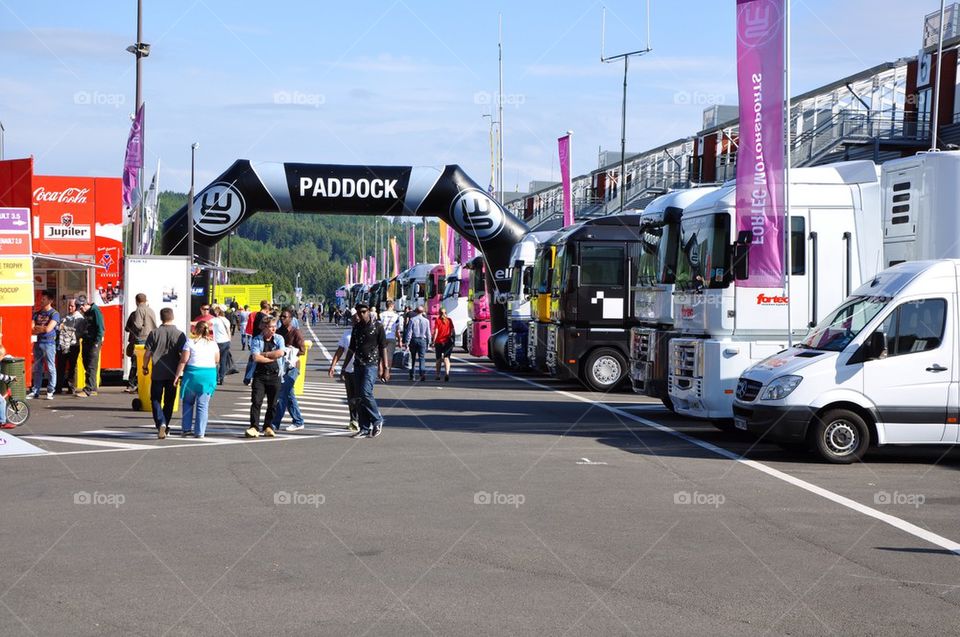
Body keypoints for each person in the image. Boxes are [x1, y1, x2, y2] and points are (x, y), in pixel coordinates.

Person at [143, 308, 187, 439]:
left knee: (155, 399)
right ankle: (165, 424)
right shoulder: (180, 334)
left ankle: (160, 422)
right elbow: (183, 354)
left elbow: (147, 354)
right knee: (169, 401)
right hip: (173, 373)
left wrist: (144, 366)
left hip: (157, 372)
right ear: (172, 317)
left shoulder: (154, 333)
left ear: (161, 318)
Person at [348, 302, 388, 438]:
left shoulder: (378, 326)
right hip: (358, 364)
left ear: (369, 312)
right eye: (358, 312)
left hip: (371, 365)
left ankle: (377, 419)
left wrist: (385, 368)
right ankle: (364, 427)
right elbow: (351, 348)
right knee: (359, 397)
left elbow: (383, 347)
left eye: (364, 312)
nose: (361, 315)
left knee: (366, 392)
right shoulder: (357, 328)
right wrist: (343, 366)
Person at [173, 321, 219, 438]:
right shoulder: (213, 344)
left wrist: (177, 375)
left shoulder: (190, 342)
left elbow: (183, 360)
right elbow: (217, 360)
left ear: (195, 330)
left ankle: (186, 428)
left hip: (192, 374)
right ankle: (200, 432)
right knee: (202, 405)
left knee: (188, 402)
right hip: (208, 374)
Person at [246, 316, 285, 438]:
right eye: (270, 327)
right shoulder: (257, 339)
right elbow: (256, 357)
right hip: (260, 375)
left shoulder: (279, 338)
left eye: (275, 326)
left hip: (275, 375)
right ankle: (254, 427)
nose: (273, 329)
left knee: (273, 403)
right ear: (264, 328)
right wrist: (272, 358)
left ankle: (268, 426)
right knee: (256, 401)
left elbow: (281, 353)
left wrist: (265, 355)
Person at [273, 308, 306, 432]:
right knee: (289, 395)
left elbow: (303, 350)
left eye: (284, 317)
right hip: (282, 366)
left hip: (293, 367)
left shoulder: (296, 332)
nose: (282, 318)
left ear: (291, 319)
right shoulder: (279, 332)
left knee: (282, 395)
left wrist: (291, 349)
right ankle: (298, 421)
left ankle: (275, 423)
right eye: (281, 316)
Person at [328, 310, 360, 432]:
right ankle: (353, 420)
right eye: (354, 318)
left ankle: (363, 420)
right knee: (351, 397)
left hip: (362, 370)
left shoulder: (367, 332)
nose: (356, 319)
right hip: (348, 370)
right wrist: (333, 365)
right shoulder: (347, 334)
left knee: (360, 396)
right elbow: (340, 351)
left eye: (358, 317)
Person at [123, 293, 158, 393]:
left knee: (136, 361)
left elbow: (137, 325)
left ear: (136, 301)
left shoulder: (139, 310)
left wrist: (135, 329)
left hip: (141, 338)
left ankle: (132, 384)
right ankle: (143, 384)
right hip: (151, 339)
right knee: (147, 362)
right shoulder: (151, 310)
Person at [28, 290, 60, 400]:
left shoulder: (54, 314)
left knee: (51, 368)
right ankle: (35, 390)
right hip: (38, 343)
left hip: (49, 344)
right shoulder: (36, 314)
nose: (41, 301)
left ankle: (50, 391)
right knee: (38, 369)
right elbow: (31, 330)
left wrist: (40, 329)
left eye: (44, 299)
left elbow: (48, 329)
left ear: (50, 300)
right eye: (41, 299)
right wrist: (43, 329)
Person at [75, 296, 104, 397]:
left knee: (91, 364)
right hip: (87, 341)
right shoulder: (87, 312)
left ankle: (88, 389)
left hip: (94, 342)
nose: (81, 310)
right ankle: (93, 388)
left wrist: (98, 341)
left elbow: (100, 327)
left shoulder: (95, 311)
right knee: (86, 362)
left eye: (81, 308)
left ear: (85, 304)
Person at [55, 298, 85, 395]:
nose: (69, 307)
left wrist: (65, 329)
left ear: (76, 307)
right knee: (60, 367)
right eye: (69, 305)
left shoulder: (80, 318)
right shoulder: (65, 317)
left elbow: (78, 332)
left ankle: (71, 387)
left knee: (72, 367)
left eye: (72, 306)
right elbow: (58, 327)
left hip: (73, 345)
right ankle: (58, 387)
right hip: (63, 345)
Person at [404, 306, 430, 382]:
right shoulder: (426, 321)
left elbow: (409, 332)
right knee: (422, 358)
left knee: (412, 358)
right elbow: (428, 333)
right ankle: (422, 374)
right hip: (422, 340)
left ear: (416, 311)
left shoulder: (412, 320)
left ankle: (412, 375)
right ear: (422, 312)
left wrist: (407, 342)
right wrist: (429, 342)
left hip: (414, 339)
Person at [431, 306, 455, 382]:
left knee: (438, 359)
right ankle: (447, 373)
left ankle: (438, 375)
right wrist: (453, 340)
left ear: (439, 313)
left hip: (439, 342)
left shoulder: (437, 320)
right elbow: (453, 331)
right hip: (447, 341)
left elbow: (436, 332)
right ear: (446, 313)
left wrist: (433, 341)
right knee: (446, 358)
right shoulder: (449, 320)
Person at [210, 306, 233, 385]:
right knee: (223, 361)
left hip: (218, 342)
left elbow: (205, 324)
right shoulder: (226, 320)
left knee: (215, 361)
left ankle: (215, 377)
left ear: (217, 312)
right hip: (226, 342)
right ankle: (221, 377)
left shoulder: (215, 320)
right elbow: (229, 331)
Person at [379, 300, 401, 373]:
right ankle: (388, 372)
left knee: (381, 355)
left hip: (382, 337)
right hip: (391, 337)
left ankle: (381, 371)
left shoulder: (381, 315)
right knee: (390, 356)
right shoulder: (396, 316)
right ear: (391, 306)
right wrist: (399, 340)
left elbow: (378, 327)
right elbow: (397, 329)